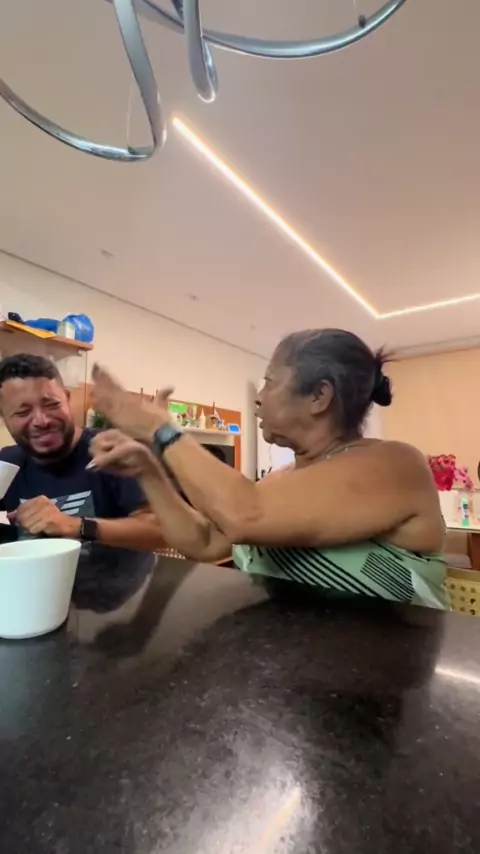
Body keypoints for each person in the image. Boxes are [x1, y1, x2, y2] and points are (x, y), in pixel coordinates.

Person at [87, 328, 448, 609]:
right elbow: (205, 541)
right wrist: (148, 471)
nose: (259, 397)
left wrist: (160, 429)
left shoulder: (397, 464)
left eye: (270, 382)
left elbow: (246, 514)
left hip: (387, 674)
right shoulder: (279, 481)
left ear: (319, 396)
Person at [0, 354, 165, 585]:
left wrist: (76, 525)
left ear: (67, 399)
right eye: (22, 412)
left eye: (51, 404)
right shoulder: (7, 463)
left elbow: (162, 531)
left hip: (118, 598)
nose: (41, 420)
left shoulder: (113, 450)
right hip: (37, 592)